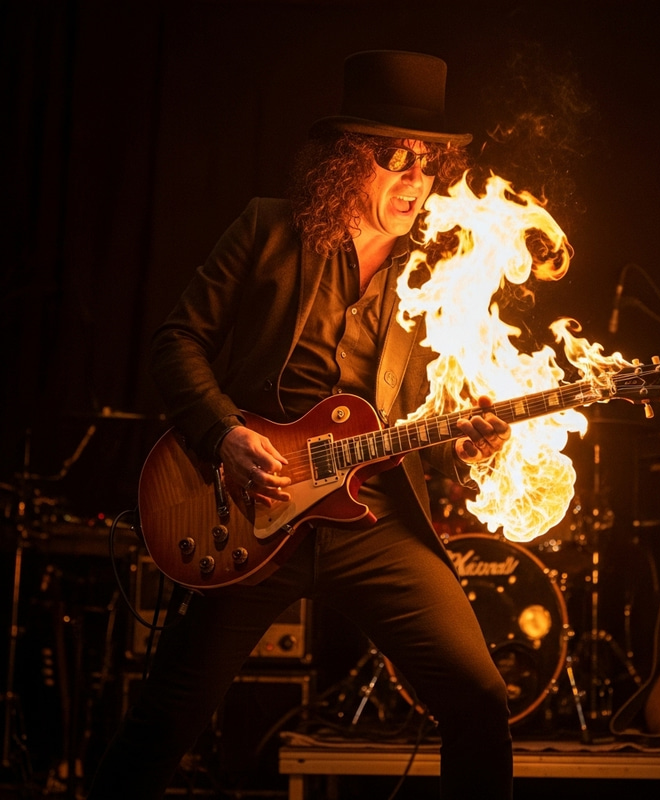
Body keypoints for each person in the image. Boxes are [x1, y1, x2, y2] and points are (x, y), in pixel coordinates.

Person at [88, 50, 514, 800]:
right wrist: (224, 434)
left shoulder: (437, 273)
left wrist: (468, 445)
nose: (417, 182)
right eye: (397, 160)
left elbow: (428, 417)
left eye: (430, 165)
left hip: (375, 522)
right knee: (165, 723)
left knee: (480, 702)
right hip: (251, 510)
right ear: (350, 162)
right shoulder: (268, 229)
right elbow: (175, 341)